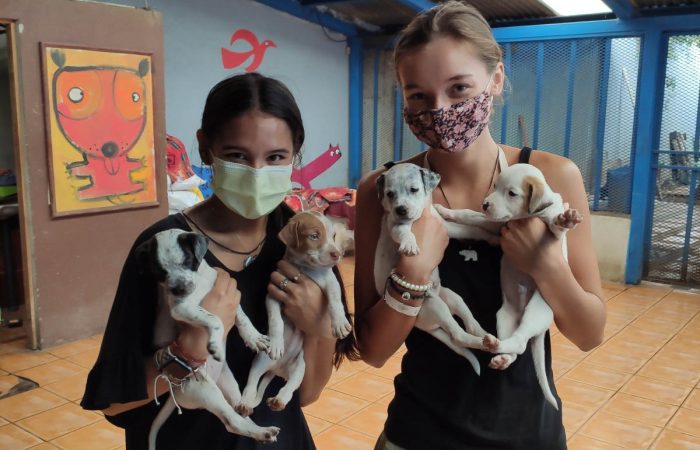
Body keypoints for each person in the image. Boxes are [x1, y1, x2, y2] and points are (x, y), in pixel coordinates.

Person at [353, 2, 606, 449]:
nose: (440, 109)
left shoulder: (550, 177)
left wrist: (546, 264)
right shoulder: (384, 189)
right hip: (417, 433)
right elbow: (372, 351)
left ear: (496, 79)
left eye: (458, 88)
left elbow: (589, 333)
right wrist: (412, 274)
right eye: (418, 95)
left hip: (528, 434)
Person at [81, 72, 357, 449]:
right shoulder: (165, 249)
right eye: (237, 156)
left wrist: (321, 326)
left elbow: (306, 394)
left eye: (276, 157)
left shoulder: (304, 246)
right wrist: (186, 350)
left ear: (296, 153)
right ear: (205, 147)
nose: (258, 173)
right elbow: (114, 403)